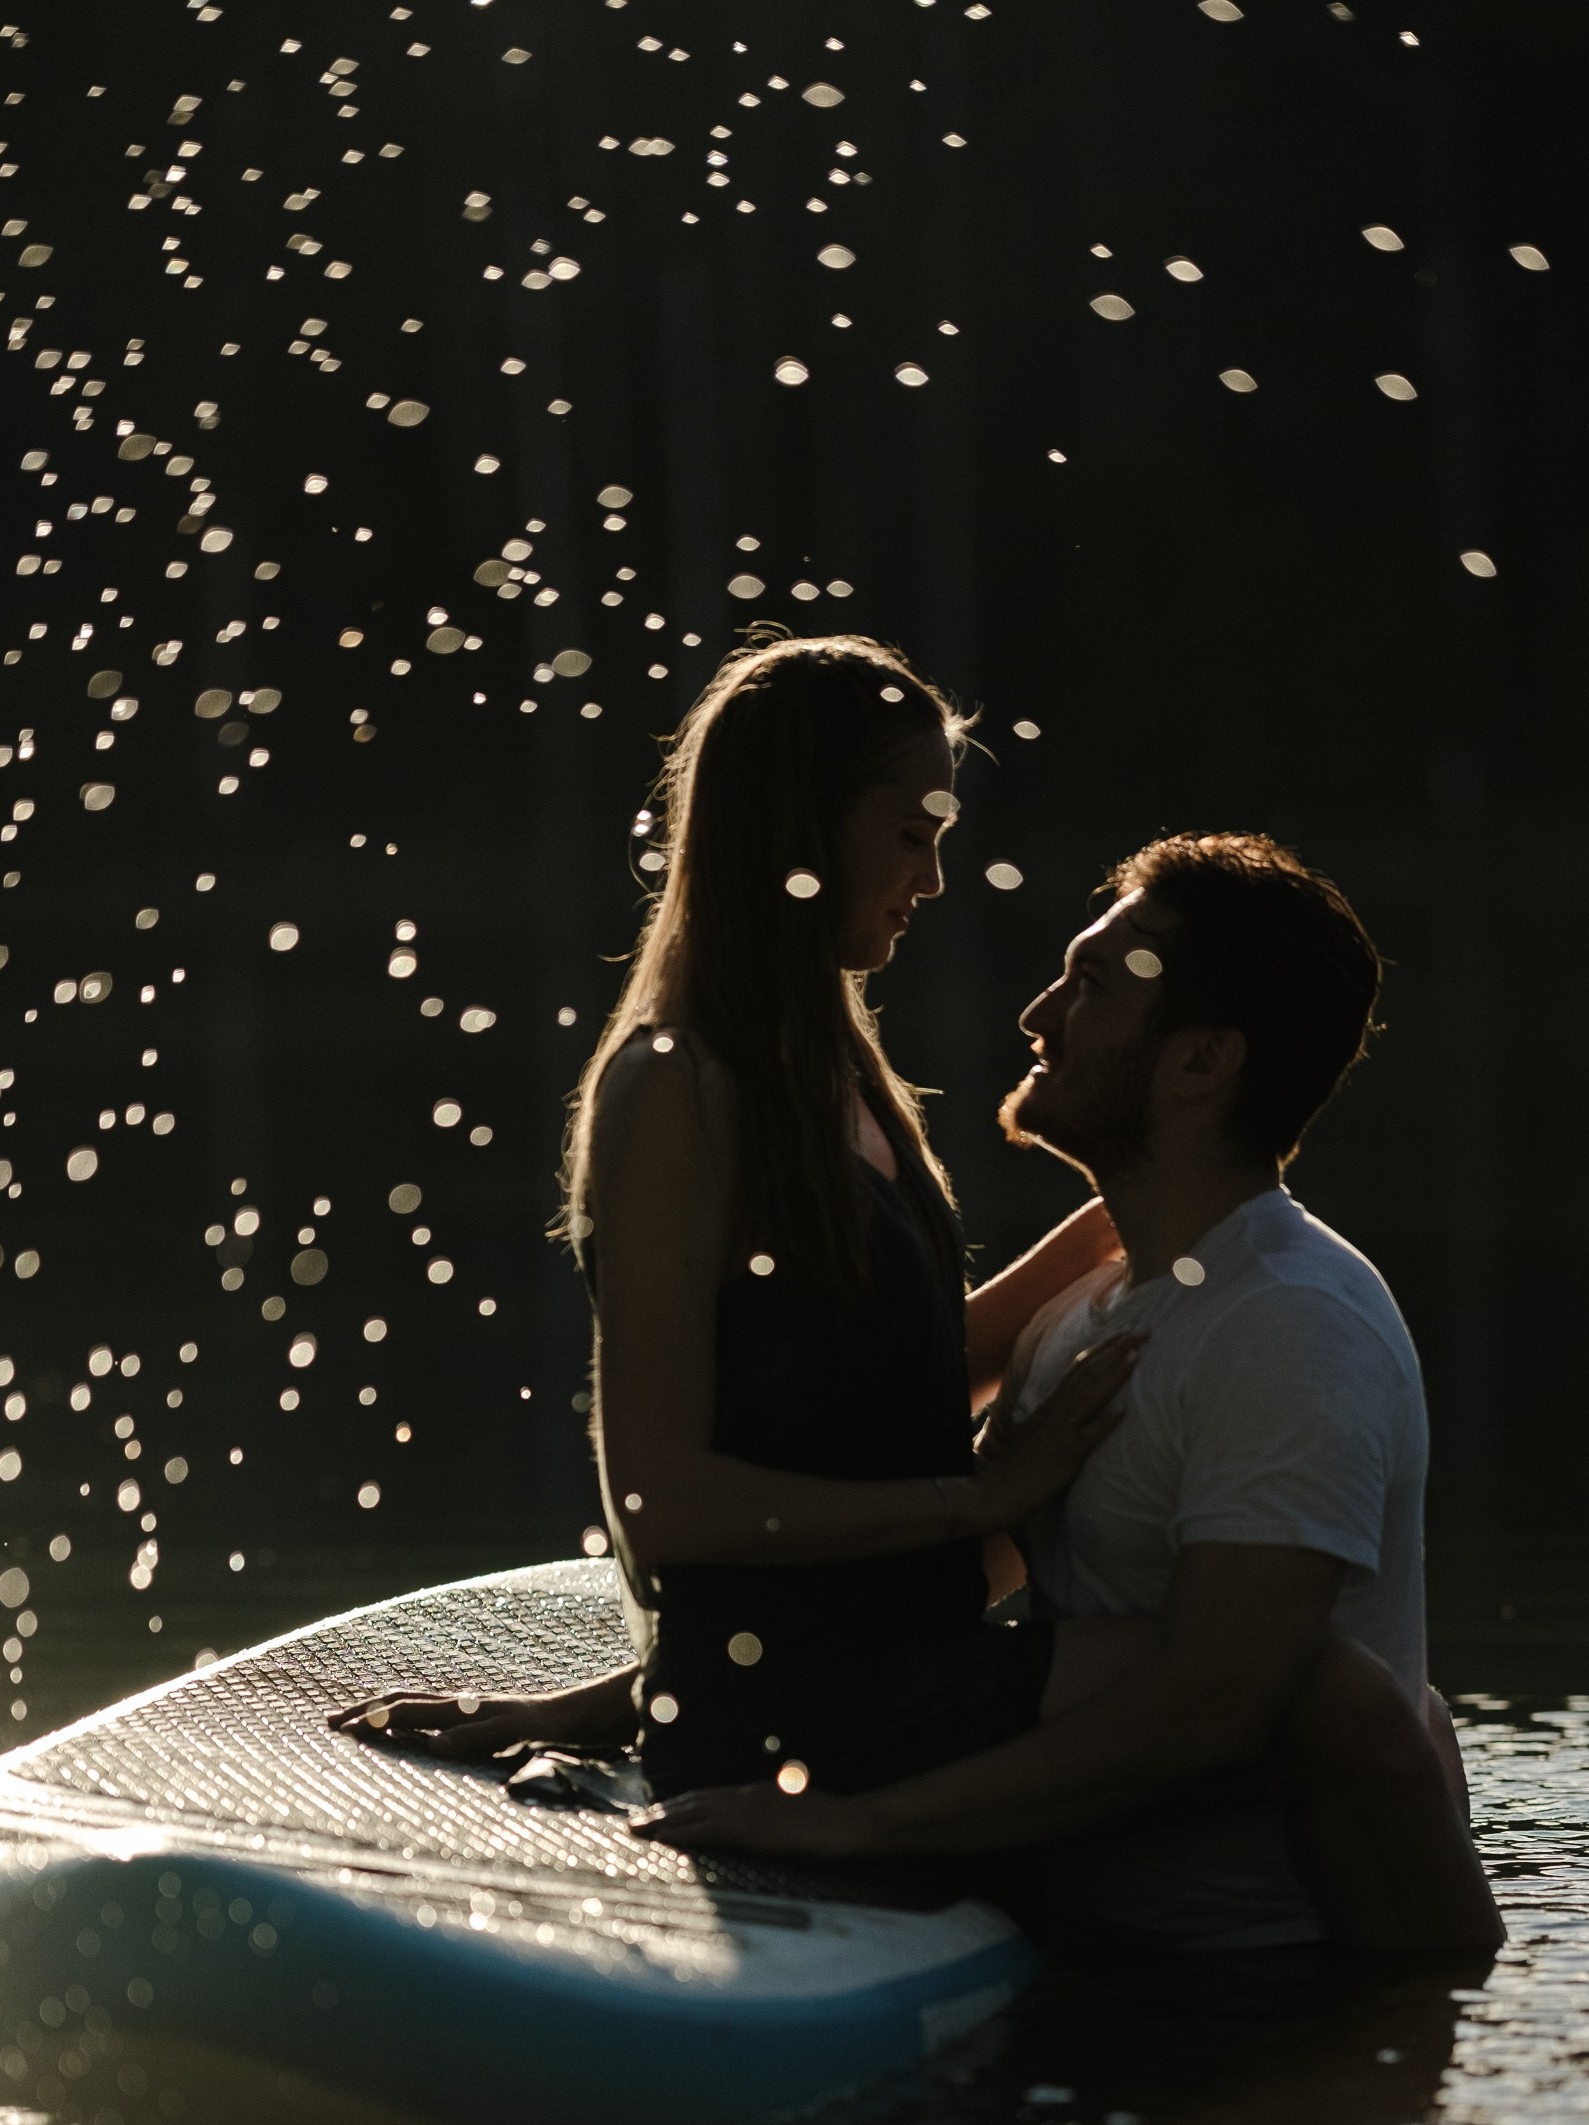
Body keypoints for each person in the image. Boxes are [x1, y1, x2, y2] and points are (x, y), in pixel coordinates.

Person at [641, 832, 1503, 1960]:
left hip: (1250, 1987)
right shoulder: (1093, 1313)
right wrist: (631, 1696)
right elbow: (924, 1589)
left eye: (1090, 985)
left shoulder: (1290, 1326)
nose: (1038, 1013)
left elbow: (1217, 1704)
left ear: (1200, 1064)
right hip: (1071, 1946)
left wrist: (857, 1827)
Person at [334, 632, 1140, 1795]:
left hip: (909, 1666)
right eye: (913, 838)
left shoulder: (839, 1064)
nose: (935, 881)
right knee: (1267, 1681)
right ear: (804, 830)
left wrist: (1127, 1226)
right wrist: (986, 1497)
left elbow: (883, 1381)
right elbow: (665, 1505)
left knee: (1272, 1669)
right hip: (809, 1722)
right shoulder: (676, 1090)